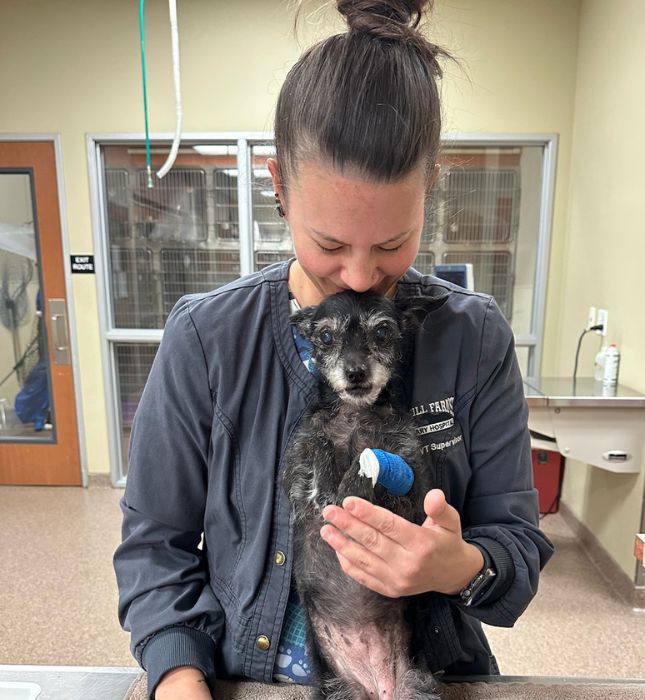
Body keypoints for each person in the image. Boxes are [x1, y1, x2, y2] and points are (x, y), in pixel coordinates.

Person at [113, 1, 554, 698]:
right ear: (279, 189)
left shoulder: (473, 337)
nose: (356, 277)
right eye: (328, 245)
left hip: (423, 676)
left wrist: (458, 565)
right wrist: (177, 677)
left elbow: (518, 553)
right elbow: (154, 548)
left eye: (390, 245)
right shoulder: (207, 339)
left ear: (430, 188)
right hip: (249, 681)